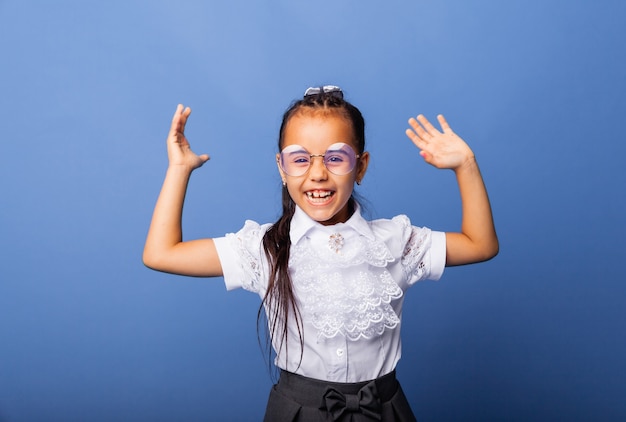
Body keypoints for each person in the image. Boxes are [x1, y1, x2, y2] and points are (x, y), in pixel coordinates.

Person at [143, 85, 498, 421]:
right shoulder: (263, 248)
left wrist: (465, 165)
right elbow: (162, 254)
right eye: (300, 159)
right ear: (282, 168)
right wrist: (179, 169)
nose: (317, 174)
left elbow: (480, 244)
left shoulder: (395, 241)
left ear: (361, 166)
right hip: (297, 412)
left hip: (384, 411)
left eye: (336, 157)